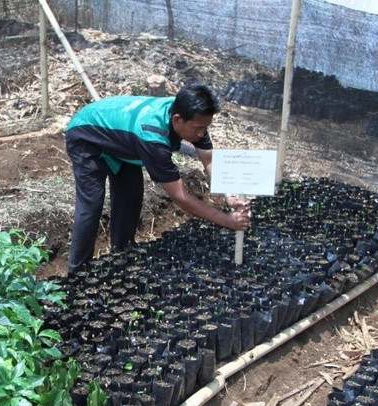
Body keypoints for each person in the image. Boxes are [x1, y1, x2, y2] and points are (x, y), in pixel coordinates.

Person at [65, 83, 251, 274]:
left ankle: (121, 255)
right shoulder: (153, 136)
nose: (201, 134)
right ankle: (77, 273)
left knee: (131, 196)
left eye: (205, 128)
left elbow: (209, 160)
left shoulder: (192, 116)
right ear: (177, 119)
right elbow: (180, 197)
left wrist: (230, 194)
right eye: (198, 129)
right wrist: (226, 220)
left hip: (123, 137)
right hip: (86, 135)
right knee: (91, 205)